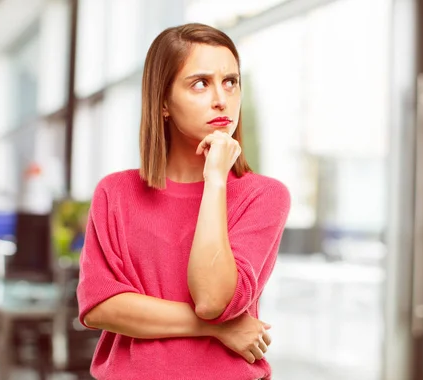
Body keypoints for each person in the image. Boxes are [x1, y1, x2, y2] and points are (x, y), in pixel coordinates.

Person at [76, 23, 291, 380]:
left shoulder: (265, 196)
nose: (221, 99)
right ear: (163, 102)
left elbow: (212, 299)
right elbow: (101, 307)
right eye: (200, 83)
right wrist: (217, 328)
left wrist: (216, 179)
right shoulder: (115, 193)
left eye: (230, 81)